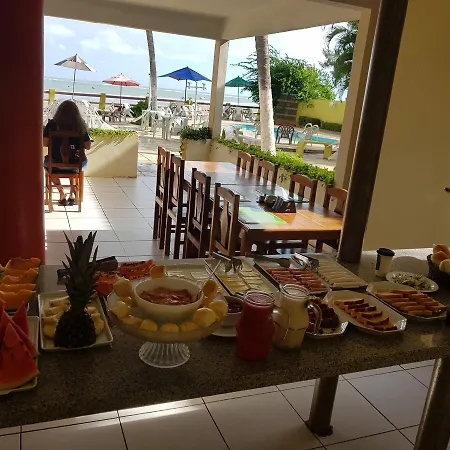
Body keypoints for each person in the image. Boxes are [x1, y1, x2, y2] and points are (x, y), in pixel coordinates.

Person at [43, 100, 91, 206]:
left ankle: (61, 193)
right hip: (76, 166)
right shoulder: (80, 126)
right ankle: (72, 194)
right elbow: (88, 146)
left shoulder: (51, 124)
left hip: (55, 165)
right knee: (74, 161)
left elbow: (44, 143)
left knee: (47, 163)